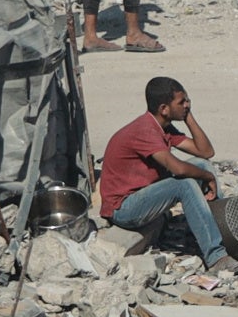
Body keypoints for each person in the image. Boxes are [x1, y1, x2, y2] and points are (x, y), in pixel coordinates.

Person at [97, 77, 227, 282]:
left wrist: (188, 117)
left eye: (187, 101)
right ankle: (217, 257)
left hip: (143, 194)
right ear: (164, 108)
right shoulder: (145, 130)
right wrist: (207, 177)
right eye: (182, 102)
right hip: (124, 208)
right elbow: (177, 168)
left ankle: (223, 230)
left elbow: (205, 151)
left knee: (202, 165)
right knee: (185, 182)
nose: (187, 105)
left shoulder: (163, 127)